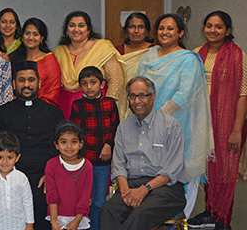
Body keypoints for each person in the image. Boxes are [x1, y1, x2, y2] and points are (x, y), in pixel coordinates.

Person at [136, 13, 213, 218]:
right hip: (146, 123)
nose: (165, 32)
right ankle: (153, 216)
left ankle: (180, 218)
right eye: (161, 28)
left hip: (178, 125)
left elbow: (185, 94)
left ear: (180, 33)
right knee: (152, 170)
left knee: (180, 172)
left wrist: (158, 116)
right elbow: (138, 85)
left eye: (170, 29)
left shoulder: (188, 60)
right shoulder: (149, 56)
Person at [99, 76, 188, 230]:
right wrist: (125, 189)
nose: (137, 101)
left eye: (142, 95)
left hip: (165, 189)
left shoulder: (170, 126)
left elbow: (172, 170)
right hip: (131, 185)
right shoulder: (123, 127)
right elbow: (119, 165)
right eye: (132, 96)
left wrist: (145, 189)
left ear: (152, 96)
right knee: (107, 212)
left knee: (139, 216)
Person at [187, 11, 247, 230]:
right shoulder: (195, 54)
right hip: (199, 122)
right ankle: (210, 213)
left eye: (219, 26)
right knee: (207, 171)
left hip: (226, 124)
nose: (213, 30)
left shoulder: (239, 56)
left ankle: (222, 219)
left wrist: (237, 130)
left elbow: (243, 94)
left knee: (225, 172)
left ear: (228, 31)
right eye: (209, 25)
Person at [0, 60, 64, 229]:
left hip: (44, 177)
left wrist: (52, 174)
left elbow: (64, 150)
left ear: (39, 83)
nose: (27, 84)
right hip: (11, 176)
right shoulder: (1, 113)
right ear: (14, 84)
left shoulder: (54, 113)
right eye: (22, 80)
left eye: (31, 80)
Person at [69, 66, 120, 230]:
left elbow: (115, 128)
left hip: (102, 161)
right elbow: (73, 133)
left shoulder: (110, 103)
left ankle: (96, 227)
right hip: (82, 162)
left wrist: (108, 145)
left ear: (102, 84)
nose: (89, 87)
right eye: (84, 83)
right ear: (80, 86)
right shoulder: (77, 105)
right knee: (81, 199)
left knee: (99, 200)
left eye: (93, 82)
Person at [53, 11, 125, 119]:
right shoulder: (58, 52)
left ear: (88, 30)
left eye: (81, 26)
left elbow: (116, 79)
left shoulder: (102, 47)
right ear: (66, 31)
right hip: (66, 107)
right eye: (72, 26)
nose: (76, 30)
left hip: (96, 107)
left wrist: (106, 107)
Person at [0, 132, 34, 230]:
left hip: (18, 226)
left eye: (9, 158)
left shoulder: (22, 178)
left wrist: (30, 225)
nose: (5, 162)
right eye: (0, 157)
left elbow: (28, 202)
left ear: (17, 158)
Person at [45, 121, 93, 230]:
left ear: (81, 144)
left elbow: (85, 197)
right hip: (57, 217)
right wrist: (54, 220)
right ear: (56, 145)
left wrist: (77, 220)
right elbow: (52, 195)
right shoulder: (51, 165)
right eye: (64, 142)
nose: (69, 146)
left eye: (74, 142)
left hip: (79, 218)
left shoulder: (88, 166)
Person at [12, 17, 61, 106]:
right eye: (27, 33)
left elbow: (53, 93)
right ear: (22, 36)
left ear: (42, 38)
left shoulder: (49, 60)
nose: (31, 38)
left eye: (35, 34)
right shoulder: (17, 59)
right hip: (18, 109)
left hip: (43, 109)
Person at [114, 12, 154, 117]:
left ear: (146, 31)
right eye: (132, 27)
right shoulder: (116, 51)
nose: (136, 31)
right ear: (126, 30)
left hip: (145, 101)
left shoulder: (154, 51)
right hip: (121, 101)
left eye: (141, 27)